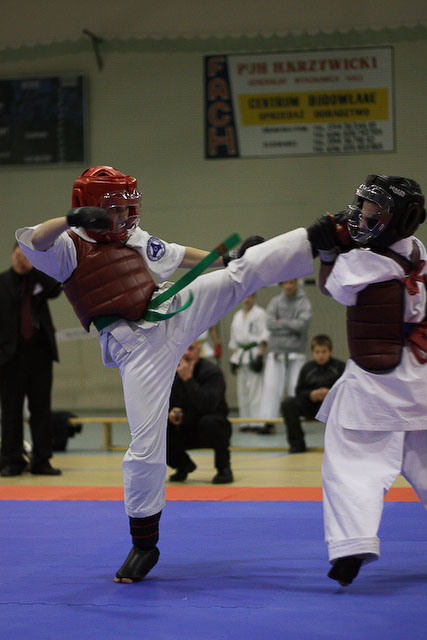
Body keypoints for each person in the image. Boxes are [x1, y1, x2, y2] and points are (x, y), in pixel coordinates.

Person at [16, 164, 343, 583]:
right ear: (89, 207)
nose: (124, 216)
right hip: (137, 350)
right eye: (114, 209)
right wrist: (70, 220)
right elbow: (34, 240)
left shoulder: (132, 236)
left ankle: (321, 236)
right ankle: (144, 544)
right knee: (145, 446)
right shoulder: (66, 247)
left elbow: (174, 253)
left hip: (170, 308)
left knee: (237, 274)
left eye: (127, 207)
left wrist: (225, 257)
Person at [316, 174, 427, 587]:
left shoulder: (362, 265)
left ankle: (352, 544)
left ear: (398, 219)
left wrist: (328, 250)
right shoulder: (418, 251)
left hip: (374, 391)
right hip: (420, 383)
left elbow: (331, 287)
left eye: (372, 212)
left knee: (351, 464)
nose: (362, 218)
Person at [0, 243, 62, 477]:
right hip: (10, 358)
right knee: (11, 411)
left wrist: (36, 267)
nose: (21, 259)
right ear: (12, 255)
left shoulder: (39, 280)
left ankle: (42, 460)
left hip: (40, 356)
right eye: (18, 254)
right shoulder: (2, 282)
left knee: (41, 410)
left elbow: (56, 289)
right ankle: (11, 460)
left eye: (26, 256)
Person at [167, 340, 232, 484]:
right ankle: (182, 465)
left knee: (211, 422)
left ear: (199, 350)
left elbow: (208, 405)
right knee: (159, 427)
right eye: (183, 349)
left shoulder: (212, 372)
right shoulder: (172, 372)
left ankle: (224, 468)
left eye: (190, 349)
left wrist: (188, 380)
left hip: (209, 427)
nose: (186, 353)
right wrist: (172, 411)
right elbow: (166, 401)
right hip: (184, 426)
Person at [258, 279, 312, 434]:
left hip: (297, 351)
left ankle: (298, 422)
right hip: (276, 351)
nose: (289, 286)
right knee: (271, 387)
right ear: (282, 284)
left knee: (296, 387)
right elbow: (269, 324)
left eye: (292, 283)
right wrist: (291, 325)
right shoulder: (275, 302)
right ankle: (268, 423)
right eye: (286, 283)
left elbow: (302, 325)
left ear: (296, 283)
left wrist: (281, 322)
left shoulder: (304, 303)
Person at [280, 334, 346, 453]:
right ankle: (297, 445)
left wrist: (330, 394)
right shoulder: (307, 368)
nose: (320, 355)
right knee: (288, 404)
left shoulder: (340, 367)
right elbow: (299, 391)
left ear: (330, 351)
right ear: (313, 352)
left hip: (333, 407)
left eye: (324, 352)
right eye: (317, 352)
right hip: (312, 406)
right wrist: (310, 395)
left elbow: (347, 390)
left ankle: (343, 445)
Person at [229, 293, 268, 431]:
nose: (247, 299)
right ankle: (245, 422)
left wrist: (260, 356)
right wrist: (234, 360)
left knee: (256, 391)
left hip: (254, 354)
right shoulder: (237, 316)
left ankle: (257, 423)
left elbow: (264, 336)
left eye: (250, 296)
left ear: (254, 297)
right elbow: (233, 340)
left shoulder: (260, 313)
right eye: (245, 296)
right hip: (241, 356)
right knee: (242, 391)